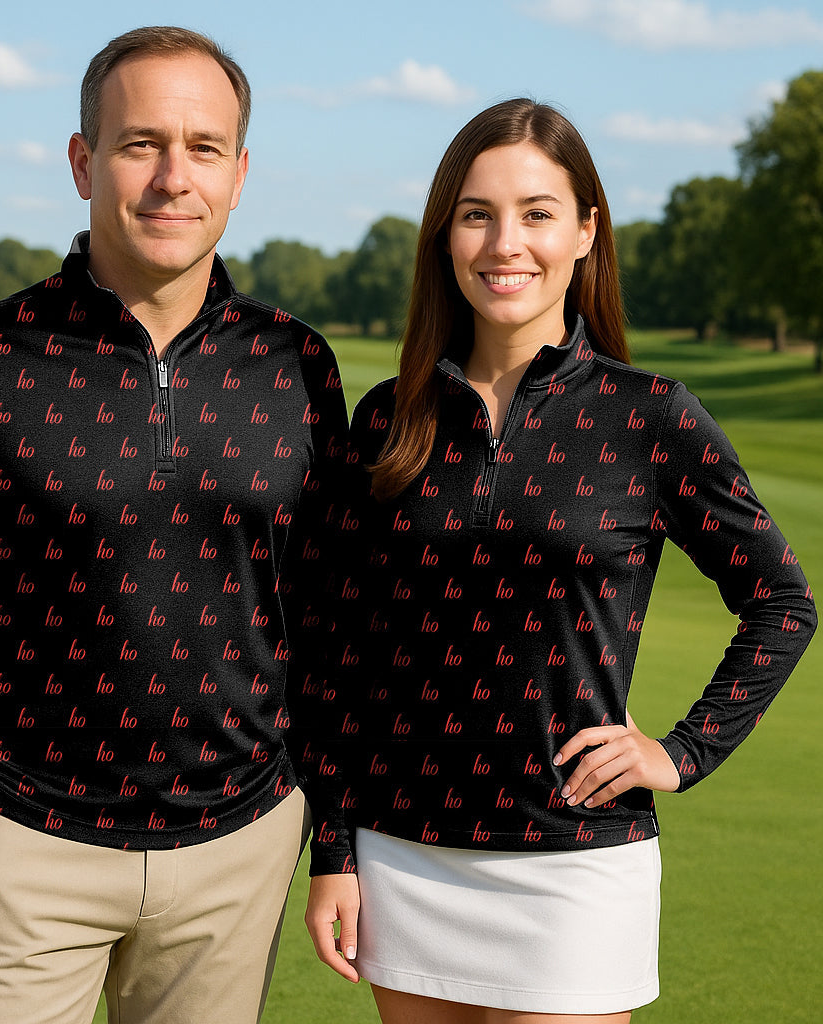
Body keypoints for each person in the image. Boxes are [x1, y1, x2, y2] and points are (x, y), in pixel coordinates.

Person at [0, 25, 349, 1024]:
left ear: (239, 175)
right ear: (83, 162)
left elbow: (330, 615)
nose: (171, 178)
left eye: (202, 149)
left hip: (236, 853)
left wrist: (317, 825)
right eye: (138, 143)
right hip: (18, 849)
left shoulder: (297, 365)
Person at [301, 98, 816, 1023]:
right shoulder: (386, 420)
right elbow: (338, 657)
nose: (507, 243)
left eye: (538, 213)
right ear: (445, 236)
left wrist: (682, 753)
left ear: (586, 231)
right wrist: (334, 849)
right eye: (477, 213)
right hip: (402, 854)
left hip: (576, 860)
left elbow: (782, 600)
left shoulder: (649, 415)